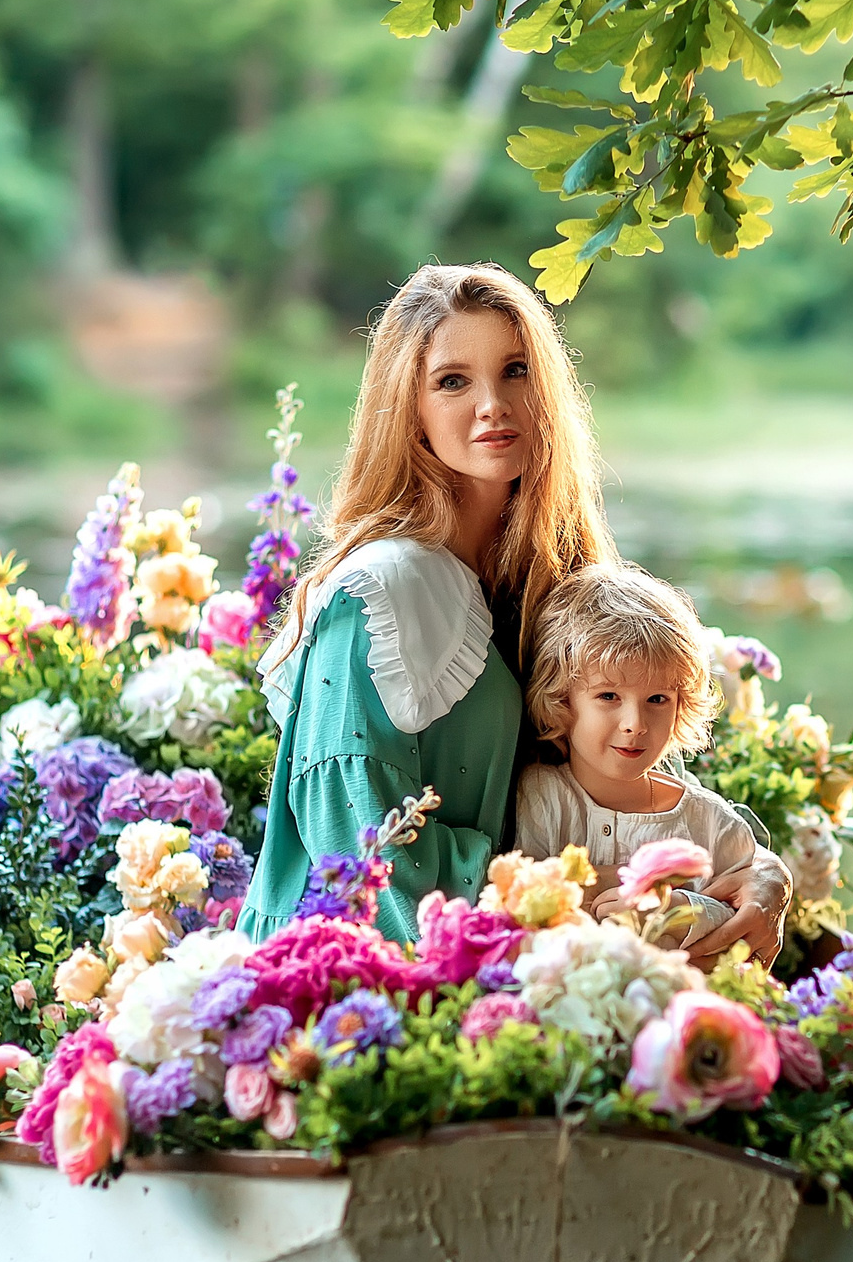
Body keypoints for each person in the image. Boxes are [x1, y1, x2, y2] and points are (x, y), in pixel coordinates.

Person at [240, 263, 788, 961]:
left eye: (516, 371)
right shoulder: (380, 595)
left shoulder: (552, 576)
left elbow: (614, 773)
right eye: (452, 380)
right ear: (408, 409)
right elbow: (358, 850)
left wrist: (756, 873)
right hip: (357, 982)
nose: (493, 403)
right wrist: (565, 892)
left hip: (532, 952)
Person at [513, 565, 756, 947]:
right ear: (562, 699)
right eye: (608, 696)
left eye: (657, 699)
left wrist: (680, 909)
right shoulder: (542, 798)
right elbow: (521, 911)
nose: (635, 724)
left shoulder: (712, 825)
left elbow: (749, 928)